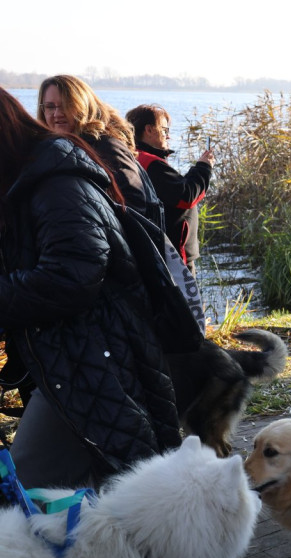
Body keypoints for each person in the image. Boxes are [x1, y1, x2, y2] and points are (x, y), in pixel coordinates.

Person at [0, 87, 181, 489]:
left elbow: (72, 277)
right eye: (47, 107)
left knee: (39, 483)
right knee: (103, 486)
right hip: (69, 356)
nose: (54, 114)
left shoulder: (55, 180)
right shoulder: (31, 177)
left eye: (61, 106)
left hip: (97, 356)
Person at [36, 75, 162, 225]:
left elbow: (134, 205)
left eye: (66, 105)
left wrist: (95, 229)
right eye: (50, 107)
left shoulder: (106, 146)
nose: (57, 113)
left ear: (83, 105)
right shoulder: (52, 149)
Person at [126, 103, 214, 273]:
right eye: (165, 130)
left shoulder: (133, 157)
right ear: (149, 130)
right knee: (185, 300)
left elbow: (175, 190)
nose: (168, 136)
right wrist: (204, 168)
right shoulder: (150, 163)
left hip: (157, 252)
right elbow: (185, 196)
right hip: (173, 257)